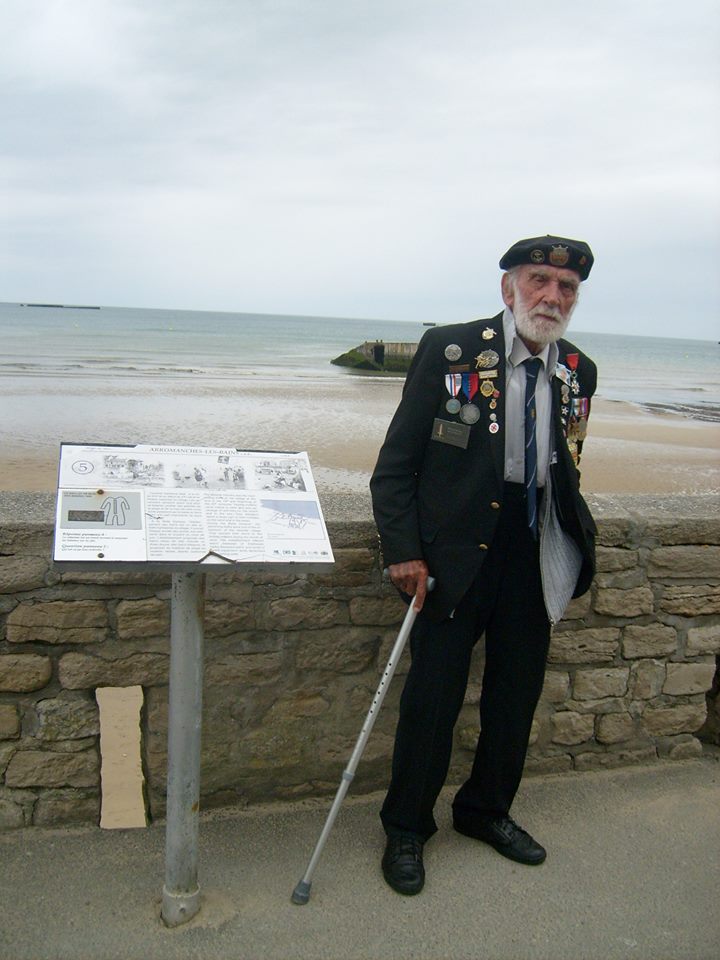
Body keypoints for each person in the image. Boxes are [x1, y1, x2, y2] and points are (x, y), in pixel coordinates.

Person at [370, 235, 598, 895]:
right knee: (432, 700)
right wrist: (403, 550)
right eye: (538, 282)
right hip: (453, 555)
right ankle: (407, 827)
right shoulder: (451, 350)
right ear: (509, 289)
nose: (551, 298)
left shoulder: (579, 370)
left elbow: (571, 463)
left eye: (566, 289)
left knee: (513, 698)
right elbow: (396, 465)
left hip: (533, 552)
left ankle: (485, 811)